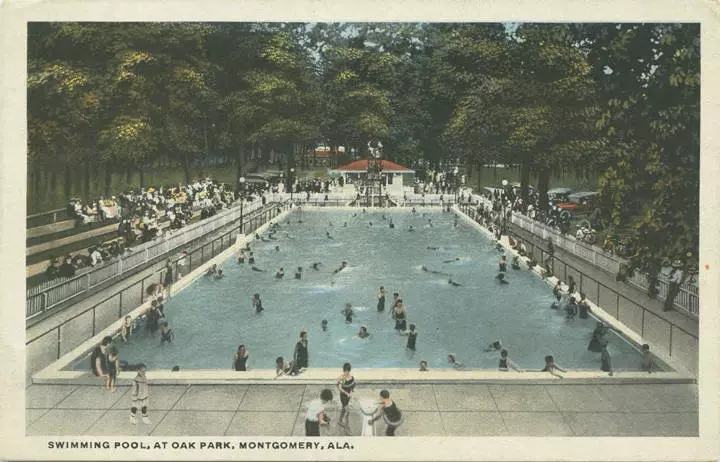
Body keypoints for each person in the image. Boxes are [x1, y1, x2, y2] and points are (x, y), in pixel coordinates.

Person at [337, 363, 356, 428]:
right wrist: (347, 393)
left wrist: (350, 393)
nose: (345, 373)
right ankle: (344, 421)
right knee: (347, 410)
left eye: (347, 371)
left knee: (344, 408)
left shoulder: (352, 378)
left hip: (348, 396)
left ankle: (342, 420)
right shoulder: (342, 378)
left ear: (349, 371)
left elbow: (352, 387)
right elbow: (340, 388)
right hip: (343, 396)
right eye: (344, 371)